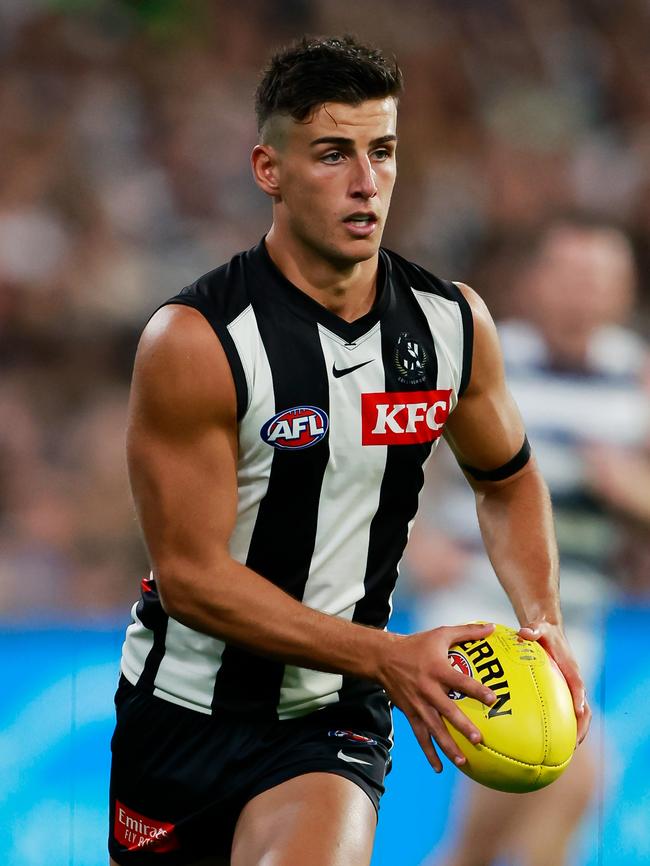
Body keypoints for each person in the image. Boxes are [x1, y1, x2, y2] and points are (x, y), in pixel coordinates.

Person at [108, 37, 589, 866]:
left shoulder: (451, 325)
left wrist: (540, 617)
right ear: (270, 169)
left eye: (383, 152)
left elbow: (507, 481)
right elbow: (191, 578)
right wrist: (388, 653)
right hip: (181, 712)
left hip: (332, 717)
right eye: (333, 154)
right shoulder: (196, 341)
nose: (367, 182)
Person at [406, 218, 648, 866]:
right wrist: (414, 541)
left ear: (624, 291)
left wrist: (630, 489)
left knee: (553, 799)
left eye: (599, 279)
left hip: (572, 614)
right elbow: (393, 454)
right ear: (535, 281)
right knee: (576, 768)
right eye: (569, 275)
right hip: (476, 598)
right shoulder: (486, 356)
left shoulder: (637, 380)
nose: (582, 293)